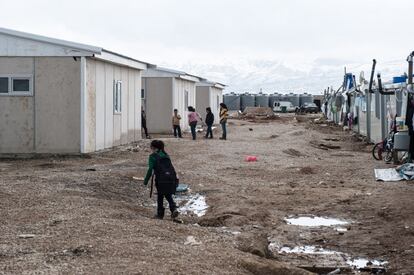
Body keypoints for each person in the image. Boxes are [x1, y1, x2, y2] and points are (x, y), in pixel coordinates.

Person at [143, 140, 179, 220]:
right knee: (168, 194)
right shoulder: (166, 155)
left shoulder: (152, 156)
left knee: (160, 195)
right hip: (171, 178)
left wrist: (146, 181)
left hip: (161, 179)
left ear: (153, 147)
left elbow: (150, 169)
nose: (150, 148)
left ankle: (160, 214)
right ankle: (173, 209)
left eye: (151, 146)